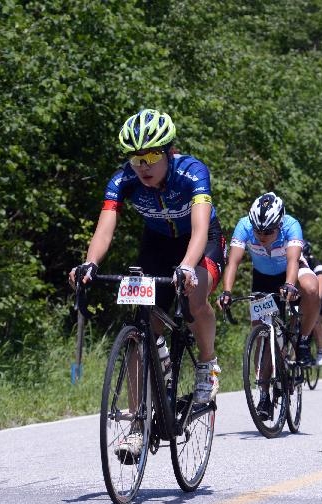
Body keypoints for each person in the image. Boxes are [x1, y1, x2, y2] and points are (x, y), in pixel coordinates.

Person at [68, 109, 225, 459]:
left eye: (152, 156)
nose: (144, 166)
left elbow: (200, 228)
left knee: (194, 291)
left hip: (200, 243)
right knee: (142, 329)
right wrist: (90, 264)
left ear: (169, 153)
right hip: (156, 245)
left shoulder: (192, 172)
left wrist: (186, 265)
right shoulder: (123, 179)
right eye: (137, 158)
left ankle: (207, 364)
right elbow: (105, 227)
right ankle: (138, 426)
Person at [217, 193, 320, 418]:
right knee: (261, 332)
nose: (262, 236)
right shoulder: (244, 225)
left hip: (290, 272)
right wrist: (226, 292)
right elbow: (232, 262)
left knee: (312, 288)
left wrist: (290, 286)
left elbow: (293, 260)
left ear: (279, 224)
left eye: (268, 232)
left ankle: (302, 340)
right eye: (258, 231)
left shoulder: (291, 225)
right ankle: (264, 395)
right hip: (262, 277)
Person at [302, 240, 322, 366]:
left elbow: (321, 285)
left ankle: (321, 350)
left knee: (316, 318)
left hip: (319, 293)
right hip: (303, 292)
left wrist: (314, 304)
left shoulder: (315, 263)